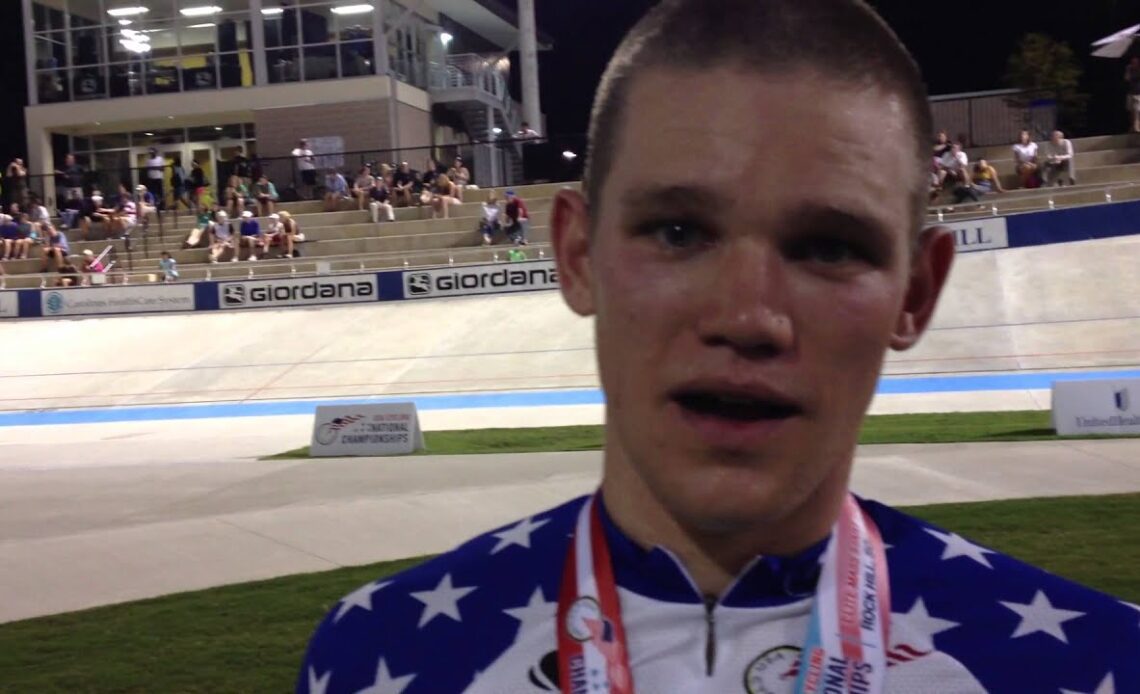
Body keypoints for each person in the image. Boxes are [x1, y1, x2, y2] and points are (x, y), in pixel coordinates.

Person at [298, 2, 1140, 693]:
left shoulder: (1096, 665)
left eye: (829, 247)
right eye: (677, 230)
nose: (749, 316)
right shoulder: (376, 659)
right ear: (578, 257)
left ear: (915, 293)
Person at [1126, 57, 1140, 134]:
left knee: (1137, 110)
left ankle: (1137, 127)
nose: (1133, 64)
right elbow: (1127, 78)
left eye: (1135, 62)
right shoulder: (1130, 70)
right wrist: (1128, 70)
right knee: (1131, 110)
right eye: (1132, 62)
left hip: (1138, 93)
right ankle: (1132, 126)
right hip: (1131, 92)